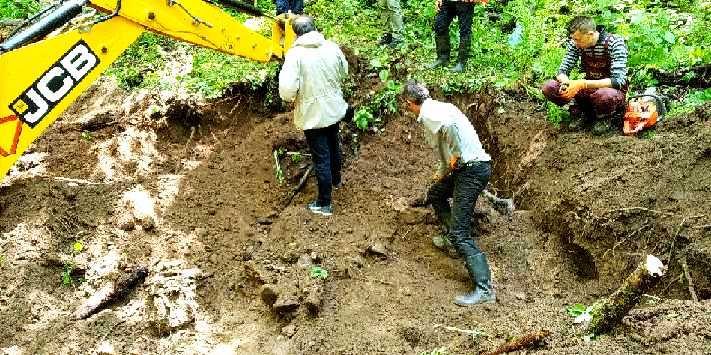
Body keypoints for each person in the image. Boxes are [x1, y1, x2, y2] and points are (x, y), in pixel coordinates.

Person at [402, 81, 495, 306]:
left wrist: (457, 154)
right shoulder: (439, 106)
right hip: (468, 166)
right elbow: (444, 147)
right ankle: (452, 239)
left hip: (471, 169)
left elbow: (451, 130)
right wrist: (442, 172)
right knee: (435, 194)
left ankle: (484, 289)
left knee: (460, 232)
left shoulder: (431, 114)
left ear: (409, 103)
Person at [279, 16, 348, 217]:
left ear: (296, 33)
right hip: (334, 108)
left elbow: (286, 90)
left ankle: (324, 203)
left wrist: (294, 96)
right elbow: (344, 71)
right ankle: (336, 180)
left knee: (321, 157)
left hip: (312, 113)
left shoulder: (295, 55)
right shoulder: (332, 47)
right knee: (334, 144)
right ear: (315, 28)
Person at [542, 16, 629, 134]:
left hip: (611, 91)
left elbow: (618, 81)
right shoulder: (575, 43)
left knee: (605, 94)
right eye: (573, 39)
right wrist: (566, 83)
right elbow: (562, 71)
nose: (575, 44)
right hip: (589, 89)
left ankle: (604, 117)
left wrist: (581, 84)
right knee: (549, 87)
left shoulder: (615, 43)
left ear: (590, 34)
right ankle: (577, 113)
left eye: (578, 40)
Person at [428, 0, 486, 72]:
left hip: (465, 2)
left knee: (464, 30)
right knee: (439, 25)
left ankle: (461, 63)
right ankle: (442, 58)